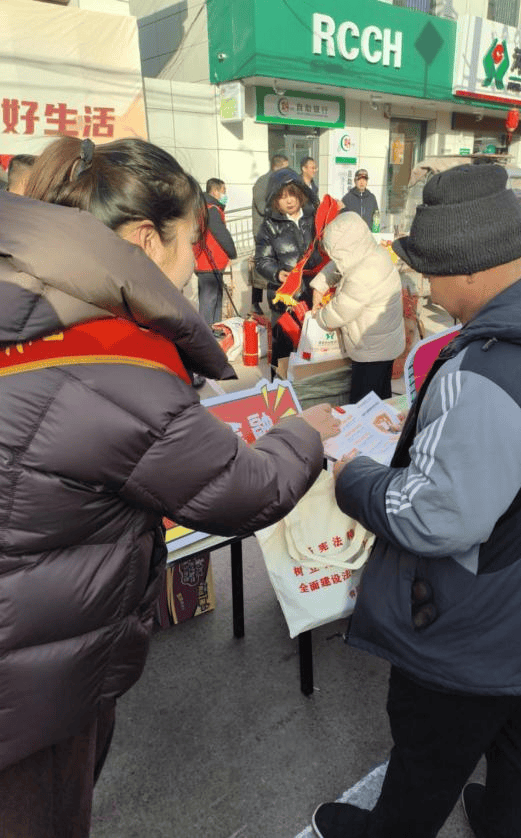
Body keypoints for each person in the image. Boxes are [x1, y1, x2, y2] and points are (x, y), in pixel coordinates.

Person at [0, 135, 339, 838]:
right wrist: (308, 432)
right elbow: (245, 491)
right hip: (32, 679)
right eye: (191, 239)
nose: (195, 261)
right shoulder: (111, 355)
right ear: (148, 241)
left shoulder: (27, 300)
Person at [311, 163, 521, 838]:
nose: (424, 288)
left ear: (469, 271)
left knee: (429, 760)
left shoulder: (493, 366)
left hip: (490, 628)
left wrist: (352, 478)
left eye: (428, 274)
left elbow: (436, 517)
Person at [311, 212, 404, 402]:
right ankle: (382, 423)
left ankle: (368, 428)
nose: (334, 259)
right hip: (383, 343)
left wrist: (319, 316)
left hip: (371, 351)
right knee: (381, 392)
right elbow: (338, 266)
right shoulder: (371, 253)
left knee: (364, 401)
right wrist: (319, 285)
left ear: (346, 249)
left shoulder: (363, 274)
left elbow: (340, 311)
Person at [255, 167, 321, 374]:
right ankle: (280, 395)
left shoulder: (314, 218)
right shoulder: (269, 226)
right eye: (282, 197)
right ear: (275, 200)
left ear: (300, 194)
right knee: (283, 350)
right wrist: (277, 273)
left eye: (292, 194)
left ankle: (309, 394)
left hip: (314, 293)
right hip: (284, 299)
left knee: (313, 347)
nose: (289, 200)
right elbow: (262, 260)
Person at [193, 177, 237, 326]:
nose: (225, 195)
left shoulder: (204, 207)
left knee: (216, 299)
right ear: (215, 191)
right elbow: (221, 233)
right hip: (209, 262)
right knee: (209, 301)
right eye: (224, 191)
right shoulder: (211, 209)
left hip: (210, 262)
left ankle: (215, 330)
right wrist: (232, 252)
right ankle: (207, 334)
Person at [251, 153, 289, 314]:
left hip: (276, 232)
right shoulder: (263, 182)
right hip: (263, 232)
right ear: (279, 166)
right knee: (262, 268)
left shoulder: (278, 181)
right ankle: (256, 303)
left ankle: (277, 301)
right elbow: (262, 206)